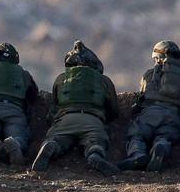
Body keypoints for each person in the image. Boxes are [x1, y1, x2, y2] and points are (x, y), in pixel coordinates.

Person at [30, 41, 120, 176]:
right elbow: (114, 110)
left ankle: (52, 146)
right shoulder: (104, 80)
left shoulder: (61, 78)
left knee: (57, 140)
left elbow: (53, 109)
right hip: (92, 120)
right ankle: (94, 155)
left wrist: (54, 123)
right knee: (96, 142)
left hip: (66, 119)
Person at [119, 41, 180, 172]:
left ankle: (137, 154)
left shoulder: (149, 74)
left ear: (157, 57)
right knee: (164, 137)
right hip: (173, 116)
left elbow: (141, 98)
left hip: (150, 114)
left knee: (137, 135)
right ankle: (160, 146)